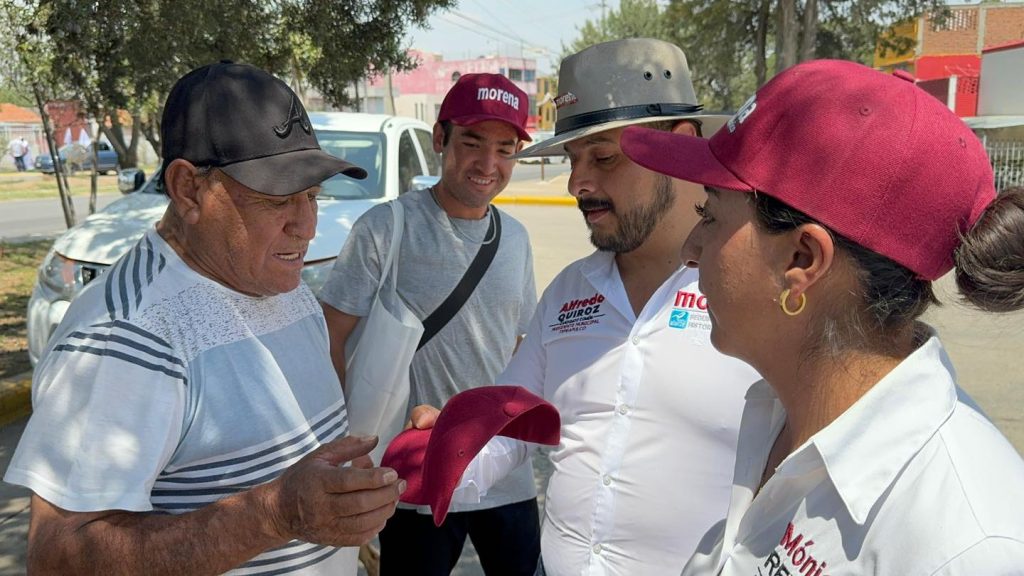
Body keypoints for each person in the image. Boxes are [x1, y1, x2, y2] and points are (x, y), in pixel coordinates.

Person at [619, 59, 1024, 574]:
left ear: (802, 261)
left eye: (711, 215)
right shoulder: (786, 408)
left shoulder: (967, 547)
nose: (691, 251)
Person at [4, 62, 405, 575]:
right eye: (277, 199)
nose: (306, 227)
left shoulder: (277, 281)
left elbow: (299, 454)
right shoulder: (123, 335)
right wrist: (274, 516)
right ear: (188, 189)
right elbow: (59, 558)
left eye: (312, 195)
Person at [413, 38, 762, 575]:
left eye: (603, 156)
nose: (578, 183)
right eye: (574, 160)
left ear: (682, 146)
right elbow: (511, 425)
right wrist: (442, 450)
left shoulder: (755, 293)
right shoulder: (570, 290)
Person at [319, 73, 539, 575]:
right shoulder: (384, 229)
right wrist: (348, 450)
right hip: (416, 472)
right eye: (472, 142)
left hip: (501, 471)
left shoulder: (517, 239)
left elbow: (524, 348)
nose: (488, 164)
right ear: (440, 139)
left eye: (505, 149)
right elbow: (331, 340)